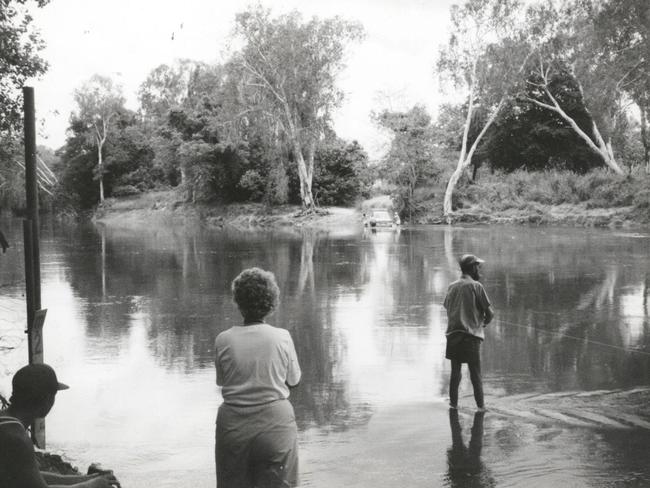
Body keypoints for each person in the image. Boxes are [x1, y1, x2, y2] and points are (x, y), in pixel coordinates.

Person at [215, 267, 301, 488]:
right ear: (271, 303)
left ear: (238, 301)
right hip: (276, 424)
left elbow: (223, 382)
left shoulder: (223, 340)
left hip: (233, 426)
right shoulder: (282, 337)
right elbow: (294, 381)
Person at [0, 363, 120, 487]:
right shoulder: (16, 439)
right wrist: (91, 486)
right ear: (47, 400)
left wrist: (86, 479)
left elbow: (32, 476)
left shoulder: (6, 423)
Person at [443, 254, 494, 411]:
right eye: (478, 266)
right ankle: (481, 408)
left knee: (455, 374)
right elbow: (490, 314)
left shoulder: (452, 286)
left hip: (453, 336)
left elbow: (447, 306)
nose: (479, 269)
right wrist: (482, 324)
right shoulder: (476, 286)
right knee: (475, 375)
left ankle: (453, 406)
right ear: (472, 268)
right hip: (471, 338)